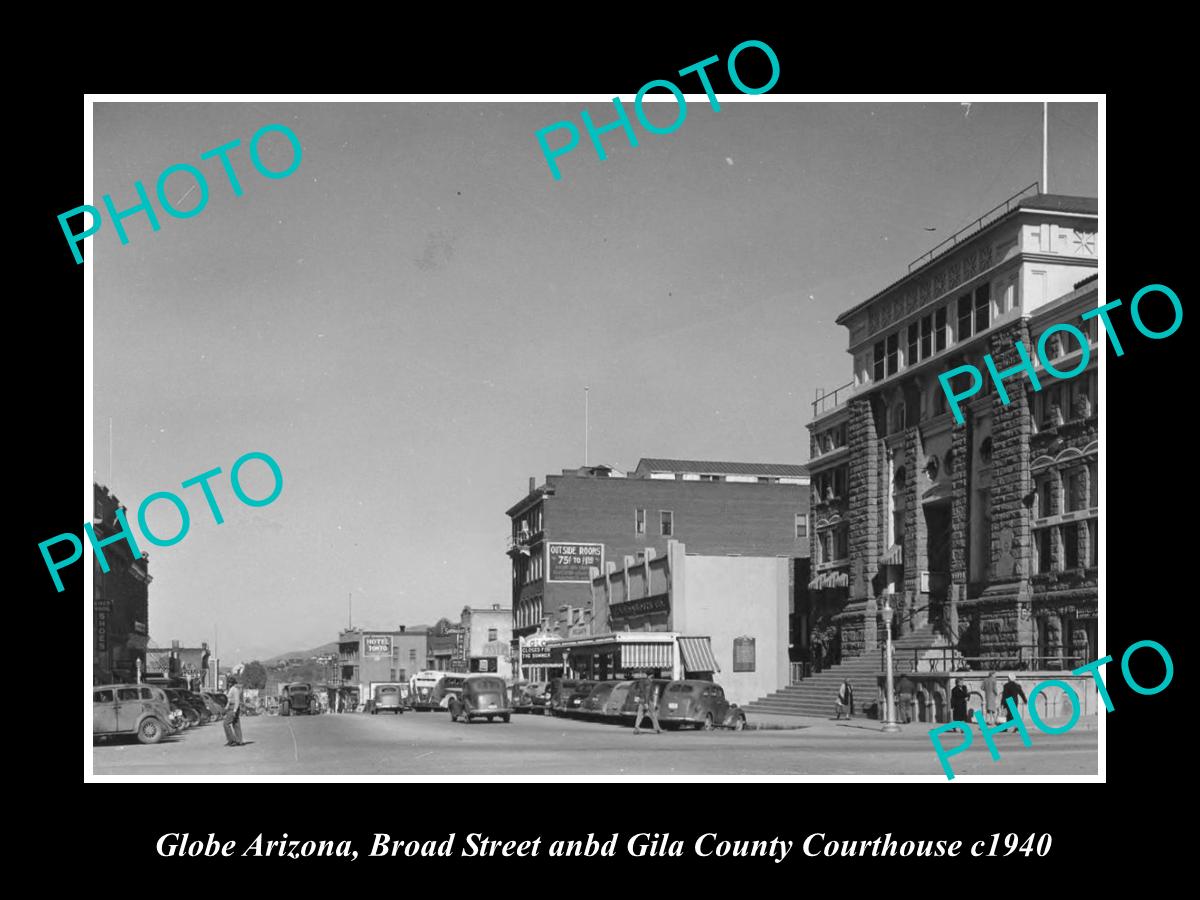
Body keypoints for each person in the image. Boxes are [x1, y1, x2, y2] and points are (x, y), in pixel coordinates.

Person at [223, 677, 244, 747]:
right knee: (236, 724)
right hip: (233, 707)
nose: (228, 683)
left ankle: (232, 740)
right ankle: (239, 741)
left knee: (226, 724)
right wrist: (226, 707)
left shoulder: (234, 689)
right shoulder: (232, 689)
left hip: (233, 707)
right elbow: (229, 700)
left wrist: (234, 710)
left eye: (229, 682)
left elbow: (237, 700)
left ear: (231, 683)